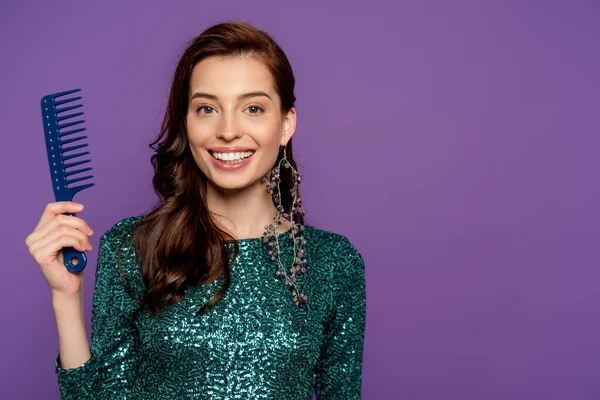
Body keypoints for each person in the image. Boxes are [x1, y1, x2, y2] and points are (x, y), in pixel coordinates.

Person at [25, 21, 366, 399]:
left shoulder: (334, 262)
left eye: (253, 108)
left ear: (286, 124)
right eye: (207, 108)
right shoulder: (133, 247)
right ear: (187, 124)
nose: (228, 130)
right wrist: (66, 296)